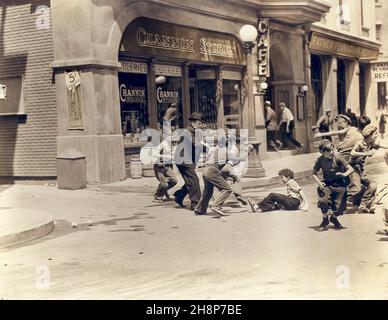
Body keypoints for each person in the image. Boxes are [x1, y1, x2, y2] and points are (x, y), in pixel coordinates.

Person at [194, 135, 248, 216]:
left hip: (205, 171)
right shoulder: (225, 152)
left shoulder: (216, 151)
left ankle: (199, 209)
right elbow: (241, 158)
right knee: (227, 189)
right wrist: (248, 149)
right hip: (212, 171)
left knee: (208, 191)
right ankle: (216, 206)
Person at [313, 140, 355, 231]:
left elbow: (351, 169)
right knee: (323, 201)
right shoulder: (320, 160)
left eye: (333, 149)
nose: (332, 152)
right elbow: (314, 174)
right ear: (323, 152)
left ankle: (333, 218)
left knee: (340, 208)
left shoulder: (338, 157)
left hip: (340, 184)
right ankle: (325, 220)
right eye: (330, 151)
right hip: (327, 184)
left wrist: (344, 174)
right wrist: (320, 184)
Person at [173, 112, 208, 211]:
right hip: (184, 160)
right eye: (199, 123)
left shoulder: (193, 131)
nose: (201, 126)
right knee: (194, 180)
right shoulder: (188, 132)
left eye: (202, 124)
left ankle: (179, 197)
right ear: (193, 123)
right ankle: (195, 203)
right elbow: (196, 144)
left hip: (186, 160)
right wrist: (209, 150)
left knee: (190, 181)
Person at [350, 124, 388, 213]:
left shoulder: (372, 143)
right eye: (375, 134)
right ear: (369, 135)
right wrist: (366, 154)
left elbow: (382, 146)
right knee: (372, 185)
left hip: (361, 169)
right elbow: (352, 153)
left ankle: (367, 205)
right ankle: (363, 204)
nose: (377, 135)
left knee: (371, 185)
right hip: (353, 168)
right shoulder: (360, 143)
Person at [152, 132, 178, 203]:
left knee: (174, 180)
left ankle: (163, 192)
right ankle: (158, 197)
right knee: (164, 184)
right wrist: (163, 157)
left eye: (176, 140)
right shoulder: (164, 144)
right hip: (159, 165)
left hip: (168, 165)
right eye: (173, 139)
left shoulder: (176, 146)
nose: (175, 142)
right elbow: (154, 154)